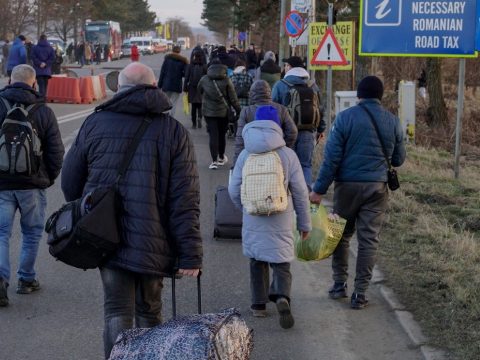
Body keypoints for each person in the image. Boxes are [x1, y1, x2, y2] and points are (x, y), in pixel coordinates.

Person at [60, 62, 202, 359]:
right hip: (154, 239)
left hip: (104, 236)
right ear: (154, 87)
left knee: (116, 310)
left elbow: (71, 185)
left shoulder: (94, 123)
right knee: (149, 310)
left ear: (119, 88)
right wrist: (189, 253)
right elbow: (184, 198)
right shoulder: (173, 131)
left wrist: (88, 208)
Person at [309, 75, 406, 309]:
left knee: (340, 235)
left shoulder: (344, 119)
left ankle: (339, 284)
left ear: (359, 95)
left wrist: (319, 190)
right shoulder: (393, 121)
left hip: (346, 188)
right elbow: (398, 159)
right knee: (368, 240)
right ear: (380, 96)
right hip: (377, 188)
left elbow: (331, 159)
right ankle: (360, 293)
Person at [228, 105, 311, 329]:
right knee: (281, 261)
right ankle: (282, 296)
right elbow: (301, 192)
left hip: (254, 214)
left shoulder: (246, 153)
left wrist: (245, 207)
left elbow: (234, 188)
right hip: (281, 216)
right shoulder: (287, 154)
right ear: (277, 126)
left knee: (257, 260)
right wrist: (304, 223)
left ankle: (258, 306)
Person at [0, 64, 64, 307]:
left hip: (1, 184)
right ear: (34, 83)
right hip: (32, 184)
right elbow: (56, 151)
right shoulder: (43, 111)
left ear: (9, 80)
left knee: (1, 232)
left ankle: (0, 278)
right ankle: (26, 279)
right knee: (31, 232)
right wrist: (48, 177)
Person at [272, 56, 326, 189]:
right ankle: (305, 196)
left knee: (286, 165)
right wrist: (320, 129)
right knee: (305, 165)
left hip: (286, 133)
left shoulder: (280, 85)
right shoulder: (313, 86)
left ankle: (287, 196)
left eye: (285, 65)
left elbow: (273, 109)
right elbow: (320, 109)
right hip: (308, 132)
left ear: (290, 67)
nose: (284, 68)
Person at [233, 80, 297, 166]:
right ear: (269, 93)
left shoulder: (246, 111)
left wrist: (237, 162)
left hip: (253, 155)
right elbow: (292, 132)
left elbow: (240, 140)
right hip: (276, 154)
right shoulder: (282, 109)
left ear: (251, 94)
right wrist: (283, 146)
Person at [198, 59, 240, 170]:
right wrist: (238, 109)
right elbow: (233, 97)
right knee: (222, 135)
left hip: (208, 112)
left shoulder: (204, 79)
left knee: (213, 135)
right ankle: (221, 157)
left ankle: (214, 161)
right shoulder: (226, 80)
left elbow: (199, 91)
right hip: (223, 112)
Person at [158, 45, 188, 116]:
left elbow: (162, 73)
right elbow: (186, 74)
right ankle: (171, 118)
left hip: (166, 85)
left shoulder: (167, 60)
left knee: (165, 102)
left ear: (172, 50)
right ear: (179, 51)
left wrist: (159, 85)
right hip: (177, 85)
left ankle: (165, 117)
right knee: (174, 103)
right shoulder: (183, 61)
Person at [183, 51, 207, 128]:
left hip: (192, 87)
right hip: (202, 87)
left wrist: (185, 87)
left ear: (194, 57)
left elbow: (186, 77)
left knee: (193, 106)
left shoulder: (190, 66)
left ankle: (194, 123)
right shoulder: (204, 66)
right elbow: (207, 77)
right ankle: (199, 117)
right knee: (200, 104)